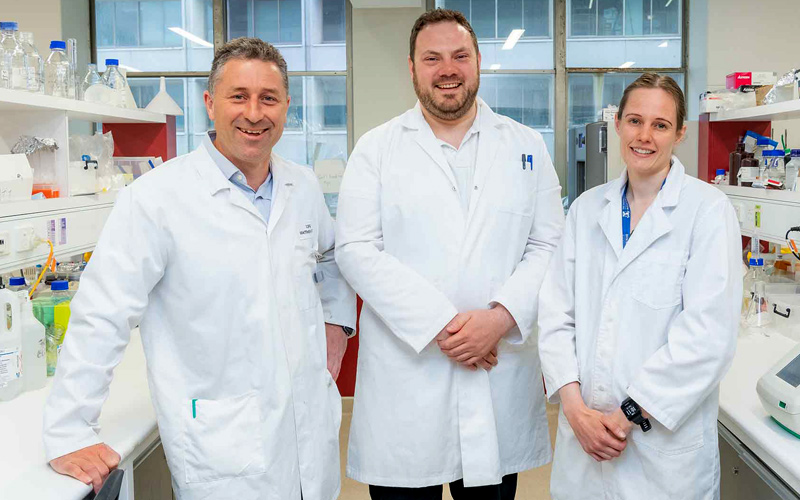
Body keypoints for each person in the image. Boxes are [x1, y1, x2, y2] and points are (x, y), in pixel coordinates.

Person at [42, 38, 356, 500]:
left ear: (287, 106)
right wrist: (70, 431)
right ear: (210, 104)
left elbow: (330, 257)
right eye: (238, 96)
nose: (254, 113)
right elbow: (100, 315)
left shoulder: (302, 185)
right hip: (224, 449)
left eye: (268, 98)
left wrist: (336, 326)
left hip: (309, 439)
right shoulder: (155, 199)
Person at [335, 9, 565, 500]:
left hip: (496, 369)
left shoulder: (525, 146)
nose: (448, 68)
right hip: (408, 376)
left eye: (460, 55)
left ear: (479, 62)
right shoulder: (375, 149)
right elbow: (355, 249)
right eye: (432, 57)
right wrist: (445, 325)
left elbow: (549, 244)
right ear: (412, 69)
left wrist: (499, 319)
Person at [538, 73, 741, 500]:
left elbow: (708, 338)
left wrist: (628, 414)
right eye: (634, 121)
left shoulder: (707, 211)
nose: (644, 136)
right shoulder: (587, 209)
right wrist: (575, 411)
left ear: (680, 133)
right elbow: (556, 315)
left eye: (660, 125)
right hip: (586, 439)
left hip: (661, 453)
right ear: (618, 126)